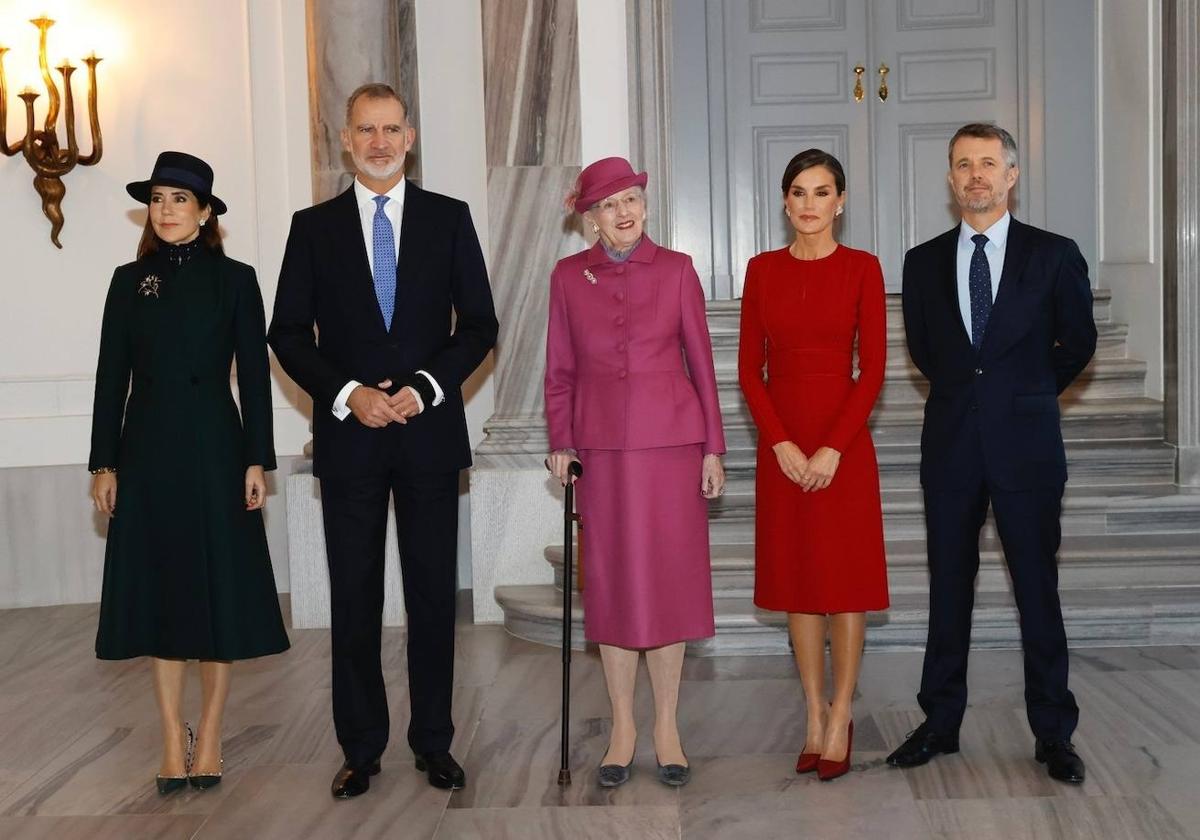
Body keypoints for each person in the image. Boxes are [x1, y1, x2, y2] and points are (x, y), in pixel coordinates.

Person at [268, 83, 497, 798]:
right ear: (345, 139)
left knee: (433, 600)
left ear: (411, 136)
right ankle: (360, 748)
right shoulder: (313, 227)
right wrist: (348, 396)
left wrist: (426, 387)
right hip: (351, 443)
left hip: (429, 439)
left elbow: (480, 327)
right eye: (364, 129)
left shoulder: (450, 220)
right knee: (355, 599)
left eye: (390, 129)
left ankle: (434, 743)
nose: (378, 142)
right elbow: (285, 333)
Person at [887, 123, 1096, 783]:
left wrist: (1030, 394)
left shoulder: (1054, 254)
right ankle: (939, 723)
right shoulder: (921, 262)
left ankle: (1054, 734)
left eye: (987, 163)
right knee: (948, 589)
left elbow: (1078, 341)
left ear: (1011, 174)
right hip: (951, 448)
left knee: (1037, 592)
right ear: (950, 180)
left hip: (1027, 447)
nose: (975, 175)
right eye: (962, 165)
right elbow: (927, 352)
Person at [89, 151, 289, 795]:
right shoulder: (128, 280)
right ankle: (172, 738)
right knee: (161, 594)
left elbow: (256, 380)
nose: (167, 209)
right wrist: (103, 461)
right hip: (145, 452)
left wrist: (257, 457)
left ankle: (211, 731)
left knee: (217, 595)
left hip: (215, 449)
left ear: (205, 214)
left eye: (180, 199)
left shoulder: (236, 280)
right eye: (158, 199)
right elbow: (109, 378)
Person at [544, 156, 726, 789]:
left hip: (673, 448)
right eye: (610, 205)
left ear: (644, 206)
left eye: (632, 200)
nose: (624, 213)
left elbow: (701, 364)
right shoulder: (568, 277)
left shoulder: (677, 270)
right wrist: (560, 441)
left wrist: (713, 448)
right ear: (591, 218)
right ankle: (622, 727)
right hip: (600, 455)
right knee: (614, 587)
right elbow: (559, 368)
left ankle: (667, 726)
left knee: (670, 586)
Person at [737, 149, 889, 781]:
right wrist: (780, 444)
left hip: (844, 445)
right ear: (784, 201)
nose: (808, 204)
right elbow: (750, 368)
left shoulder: (863, 269)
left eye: (821, 193)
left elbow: (873, 368)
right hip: (783, 446)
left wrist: (832, 447)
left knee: (844, 584)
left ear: (841, 201)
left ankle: (843, 712)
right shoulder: (762, 270)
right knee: (800, 581)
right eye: (797, 192)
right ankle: (811, 711)